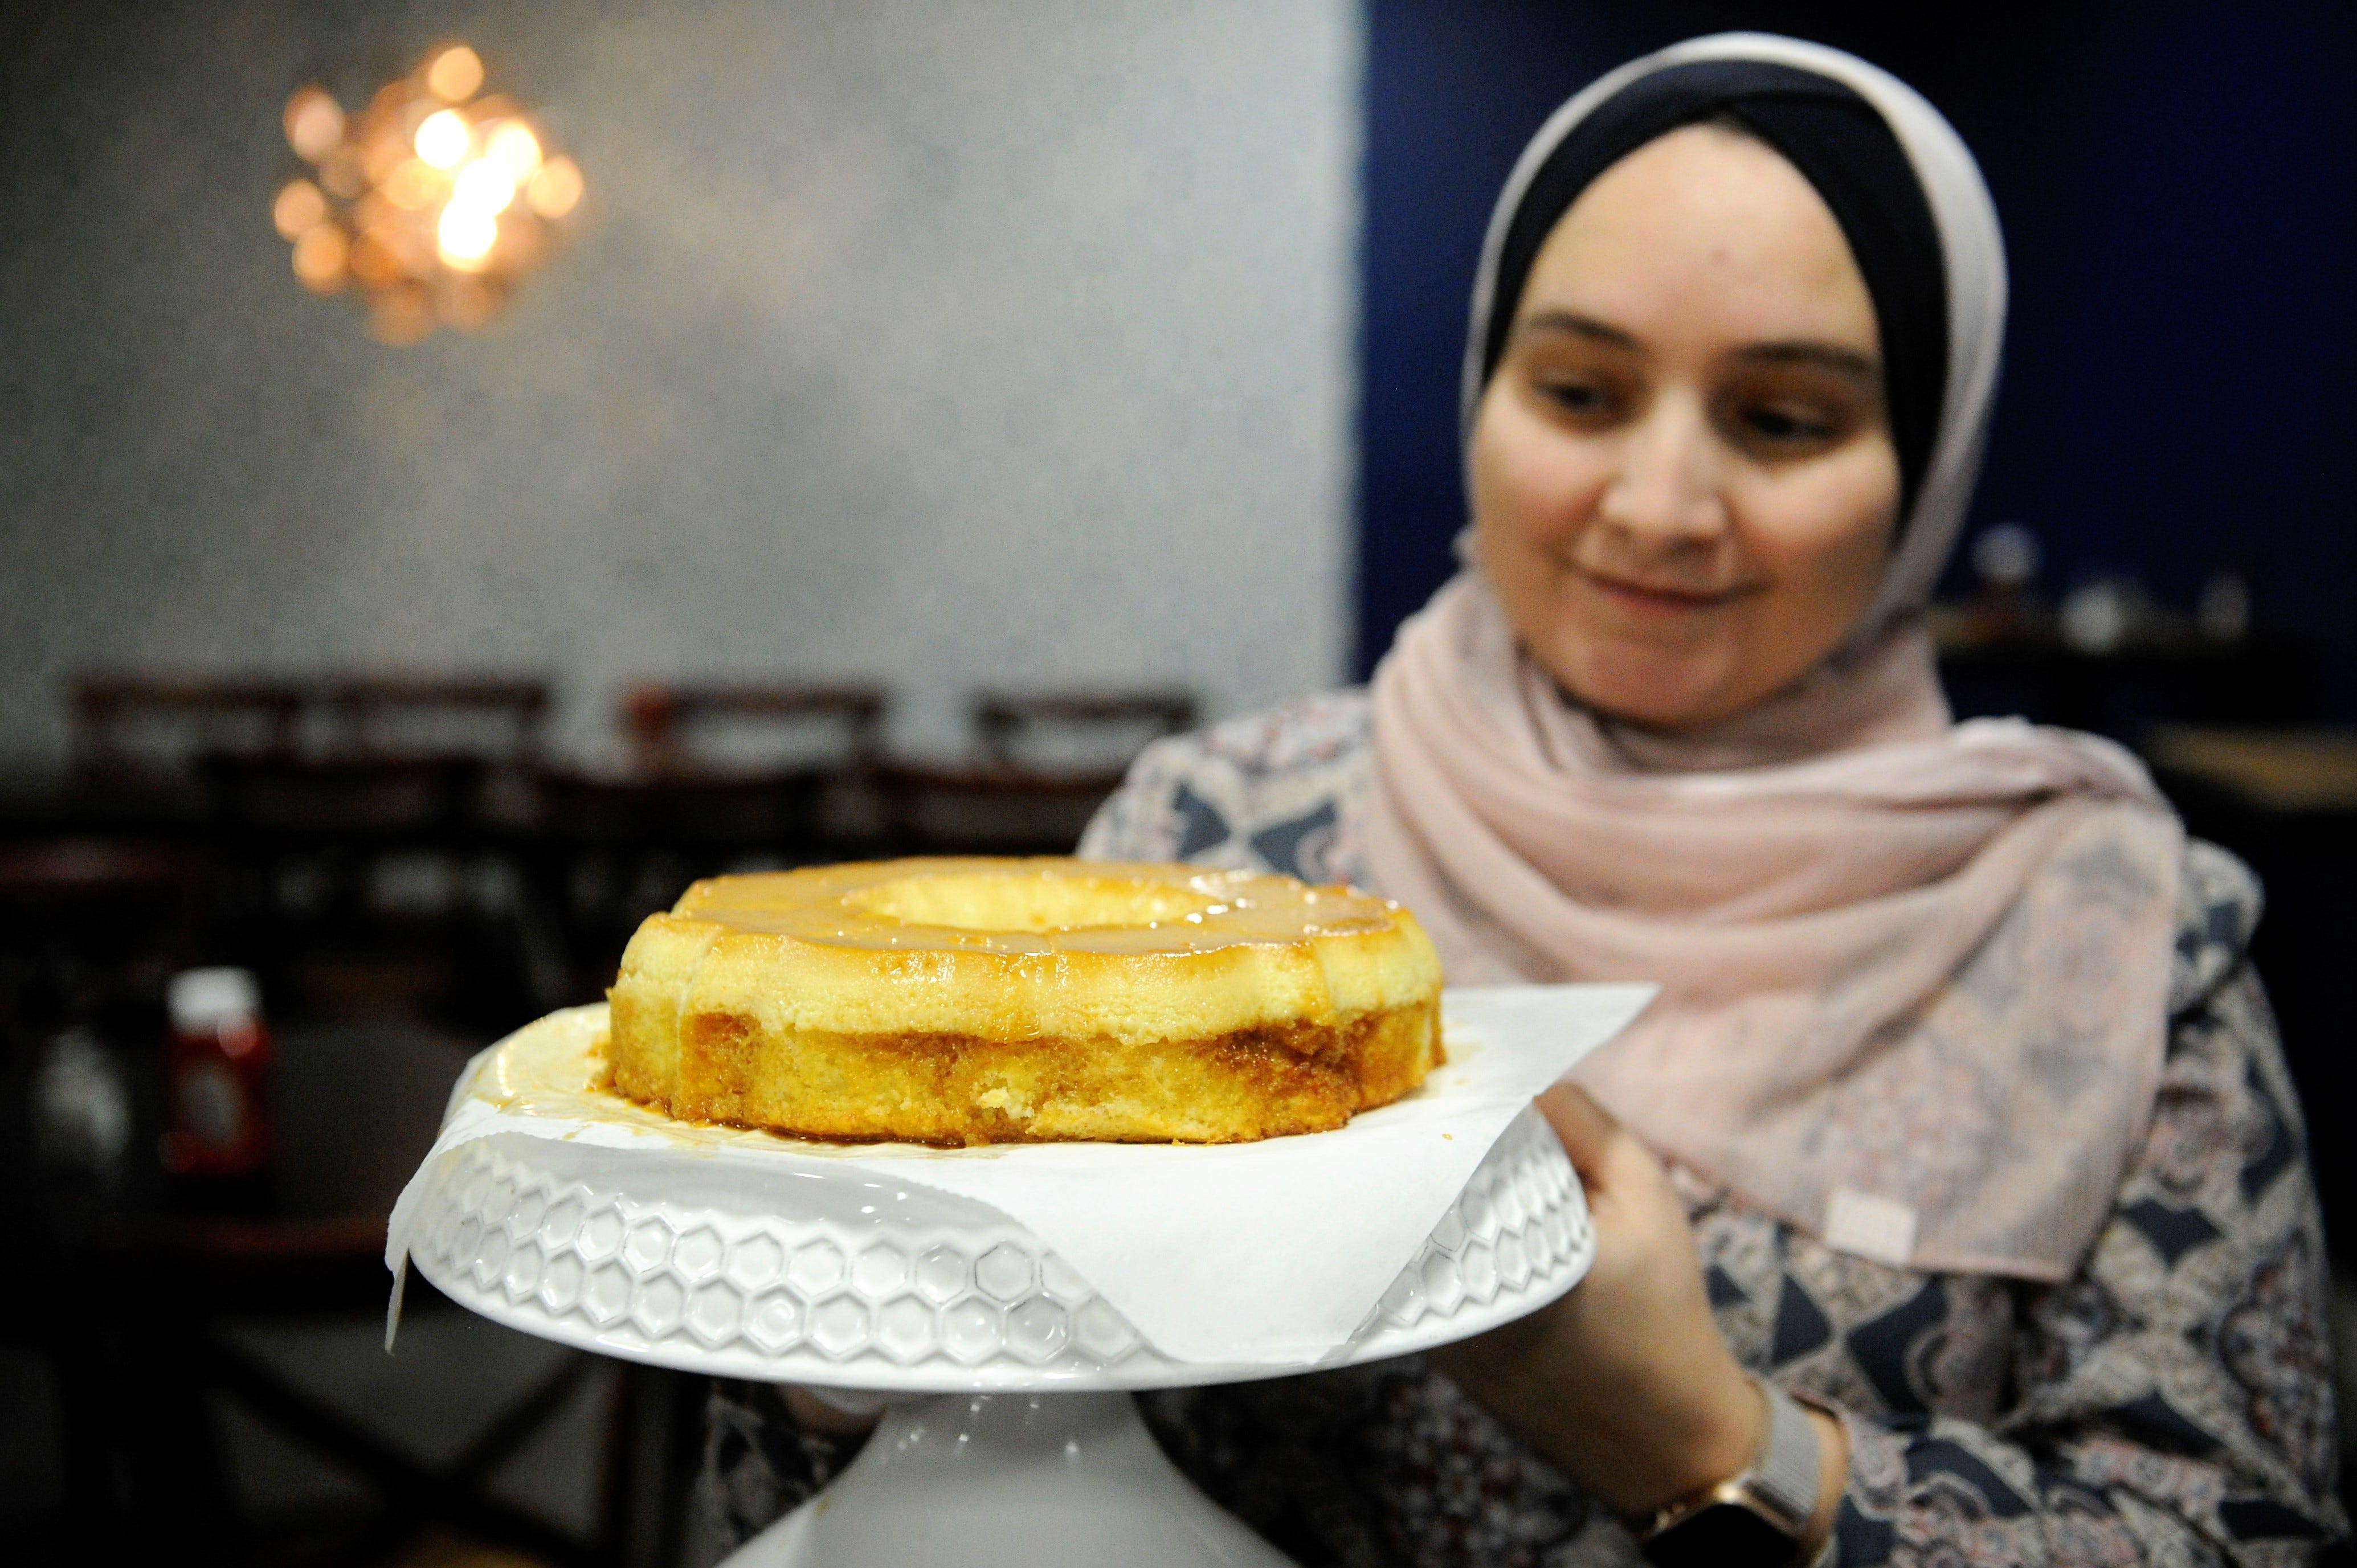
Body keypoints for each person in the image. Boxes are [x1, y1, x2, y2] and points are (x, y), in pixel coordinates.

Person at [704, 33, 2344, 1566]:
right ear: (1486, 387)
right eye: (1578, 392)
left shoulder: (2116, 936)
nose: (1658, 502)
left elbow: (2240, 1532)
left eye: (1780, 419)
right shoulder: (1212, 846)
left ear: (1921, 465)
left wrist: (1710, 1441)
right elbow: (845, 1495)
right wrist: (854, 1358)